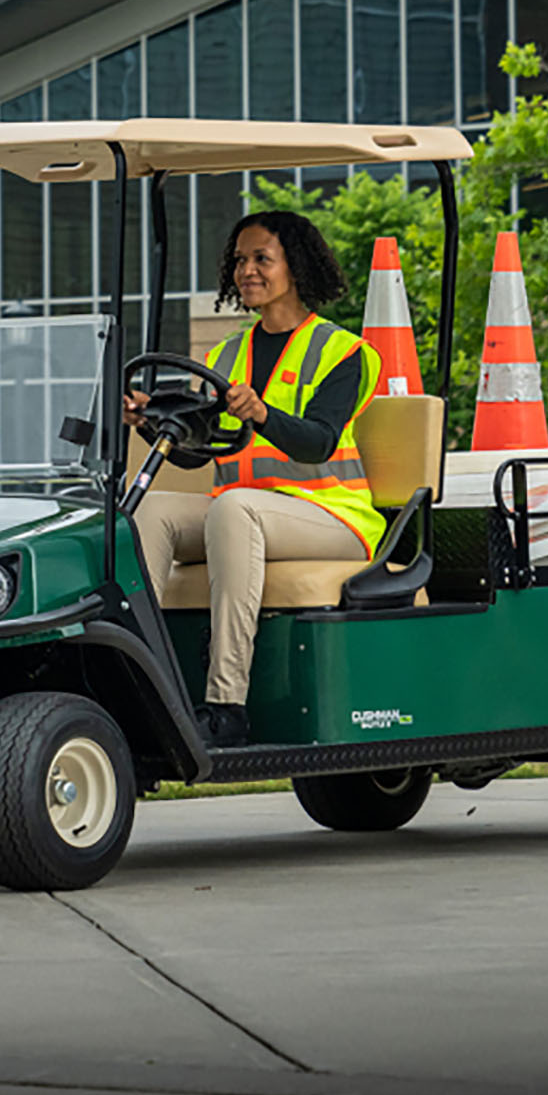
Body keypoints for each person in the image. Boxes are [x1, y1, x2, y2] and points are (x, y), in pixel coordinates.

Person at [125, 211, 386, 748]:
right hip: (243, 513)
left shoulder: (346, 353)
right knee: (150, 511)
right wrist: (156, 422)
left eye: (261, 259)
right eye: (240, 260)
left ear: (296, 266)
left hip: (334, 517)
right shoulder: (225, 356)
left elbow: (318, 441)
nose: (247, 270)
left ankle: (226, 705)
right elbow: (201, 456)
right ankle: (141, 690)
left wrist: (262, 414)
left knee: (234, 508)